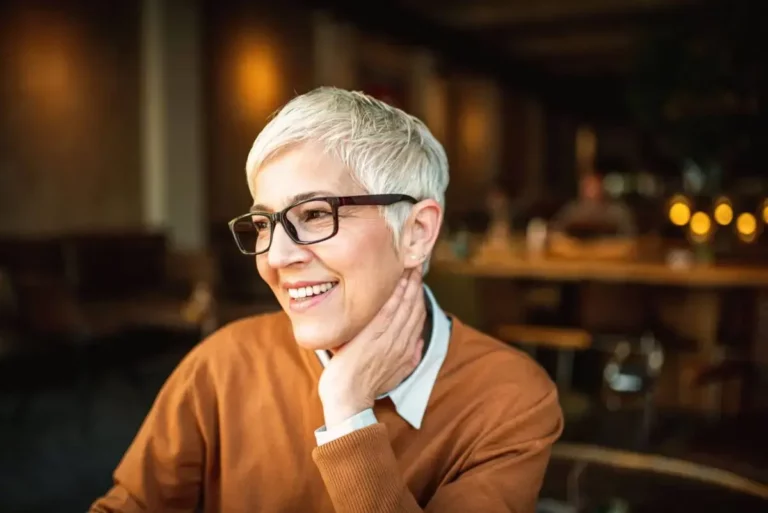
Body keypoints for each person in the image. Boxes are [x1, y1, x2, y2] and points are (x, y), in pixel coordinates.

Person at [90, 87, 562, 513]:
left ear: (417, 232)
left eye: (315, 214)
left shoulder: (511, 400)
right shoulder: (222, 364)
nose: (275, 256)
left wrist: (348, 413)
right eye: (263, 224)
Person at [549, 171, 637, 260]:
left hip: (611, 262)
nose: (590, 192)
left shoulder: (617, 211)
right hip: (576, 263)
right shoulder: (573, 210)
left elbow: (629, 240)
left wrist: (603, 248)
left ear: (602, 189)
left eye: (594, 188)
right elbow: (556, 233)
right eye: (587, 188)